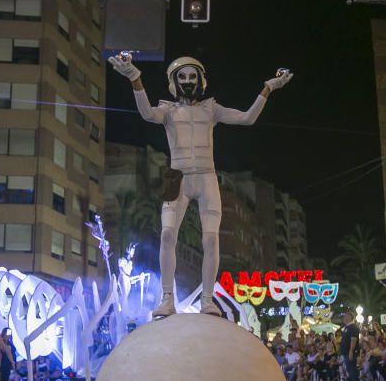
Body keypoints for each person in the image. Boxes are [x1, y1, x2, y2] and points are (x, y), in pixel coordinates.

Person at [108, 52, 293, 317]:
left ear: (200, 80)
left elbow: (247, 118)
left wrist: (268, 88)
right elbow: (147, 114)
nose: (187, 80)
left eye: (192, 76)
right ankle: (167, 298)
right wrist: (135, 79)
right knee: (167, 234)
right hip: (177, 176)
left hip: (206, 177)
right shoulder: (168, 111)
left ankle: (208, 300)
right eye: (182, 76)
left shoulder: (211, 109)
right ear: (174, 81)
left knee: (210, 239)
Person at [339, 309, 361, 381]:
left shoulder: (353, 328)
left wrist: (351, 351)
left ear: (349, 318)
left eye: (345, 317)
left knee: (352, 369)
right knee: (350, 369)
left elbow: (353, 340)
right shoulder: (346, 328)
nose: (344, 318)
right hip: (346, 352)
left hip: (350, 352)